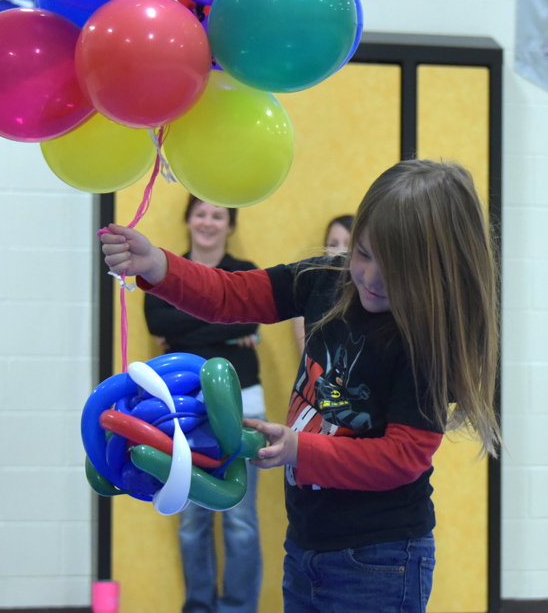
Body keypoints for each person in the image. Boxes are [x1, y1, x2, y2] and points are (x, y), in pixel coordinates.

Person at [99, 160, 500, 613]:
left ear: (435, 271)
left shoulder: (424, 339)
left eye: (394, 271)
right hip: (306, 543)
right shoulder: (325, 278)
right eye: (364, 254)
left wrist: (299, 450)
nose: (369, 277)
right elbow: (232, 295)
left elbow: (403, 456)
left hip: (380, 557)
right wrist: (158, 265)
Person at [143, 196, 264, 613]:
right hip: (182, 409)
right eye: (201, 214)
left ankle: (238, 608)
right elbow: (158, 321)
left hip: (244, 404)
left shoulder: (246, 274)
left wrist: (187, 333)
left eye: (219, 215)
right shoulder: (165, 273)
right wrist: (224, 327)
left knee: (240, 521)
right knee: (192, 519)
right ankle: (198, 606)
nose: (209, 222)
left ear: (230, 225)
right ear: (188, 220)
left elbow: (250, 319)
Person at [293, 215, 354, 355]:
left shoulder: (370, 296)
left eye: (348, 244)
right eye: (333, 244)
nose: (340, 251)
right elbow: (307, 357)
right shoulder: (307, 296)